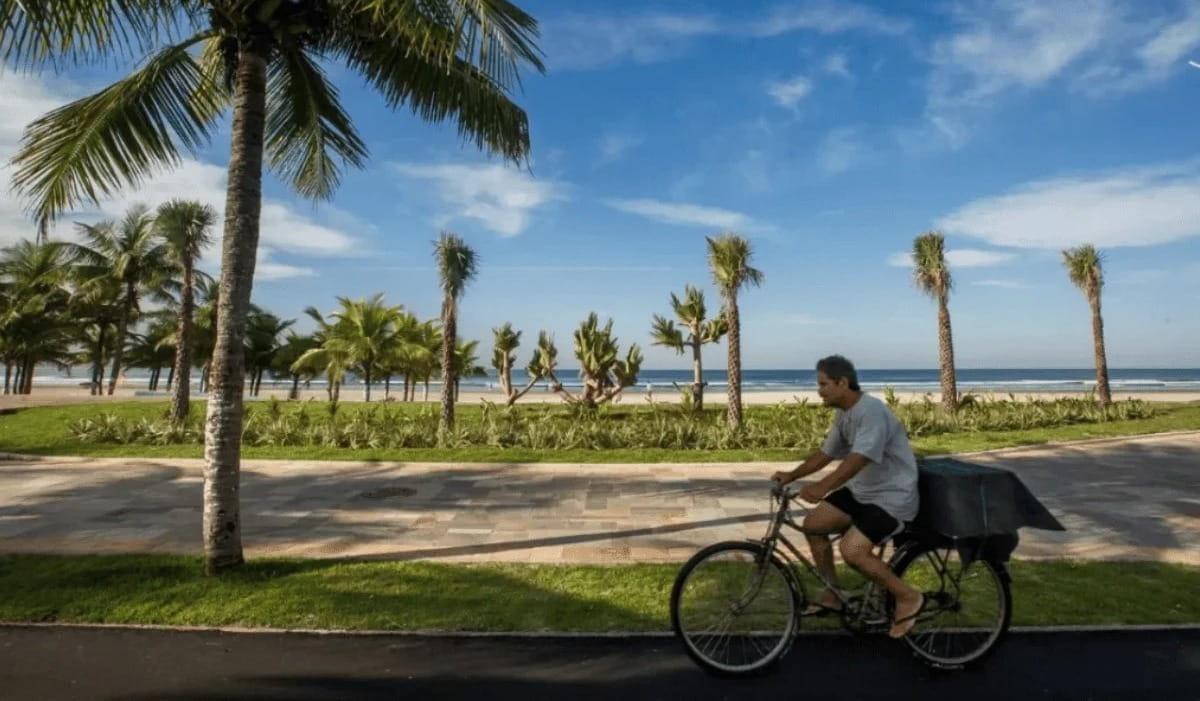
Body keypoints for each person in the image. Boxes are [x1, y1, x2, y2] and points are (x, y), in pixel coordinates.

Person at [771, 355, 924, 638]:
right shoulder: (844, 414)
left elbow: (859, 458)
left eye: (824, 384)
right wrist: (791, 475)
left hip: (892, 498)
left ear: (843, 383)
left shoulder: (872, 411)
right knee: (813, 525)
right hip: (862, 493)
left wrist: (822, 487)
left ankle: (907, 597)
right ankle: (832, 592)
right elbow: (825, 454)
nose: (819, 391)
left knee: (852, 551)